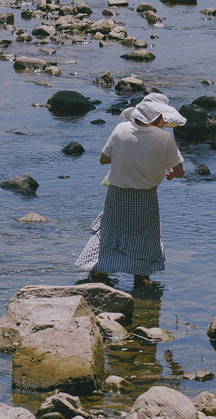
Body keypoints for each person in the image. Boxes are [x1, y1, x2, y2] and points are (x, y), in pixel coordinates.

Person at [76, 93, 186, 287]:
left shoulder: (120, 129)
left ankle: (99, 272)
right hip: (145, 197)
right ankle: (141, 278)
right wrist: (167, 171)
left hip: (117, 194)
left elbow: (103, 159)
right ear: (158, 117)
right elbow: (179, 171)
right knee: (144, 236)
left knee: (110, 232)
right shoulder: (164, 138)